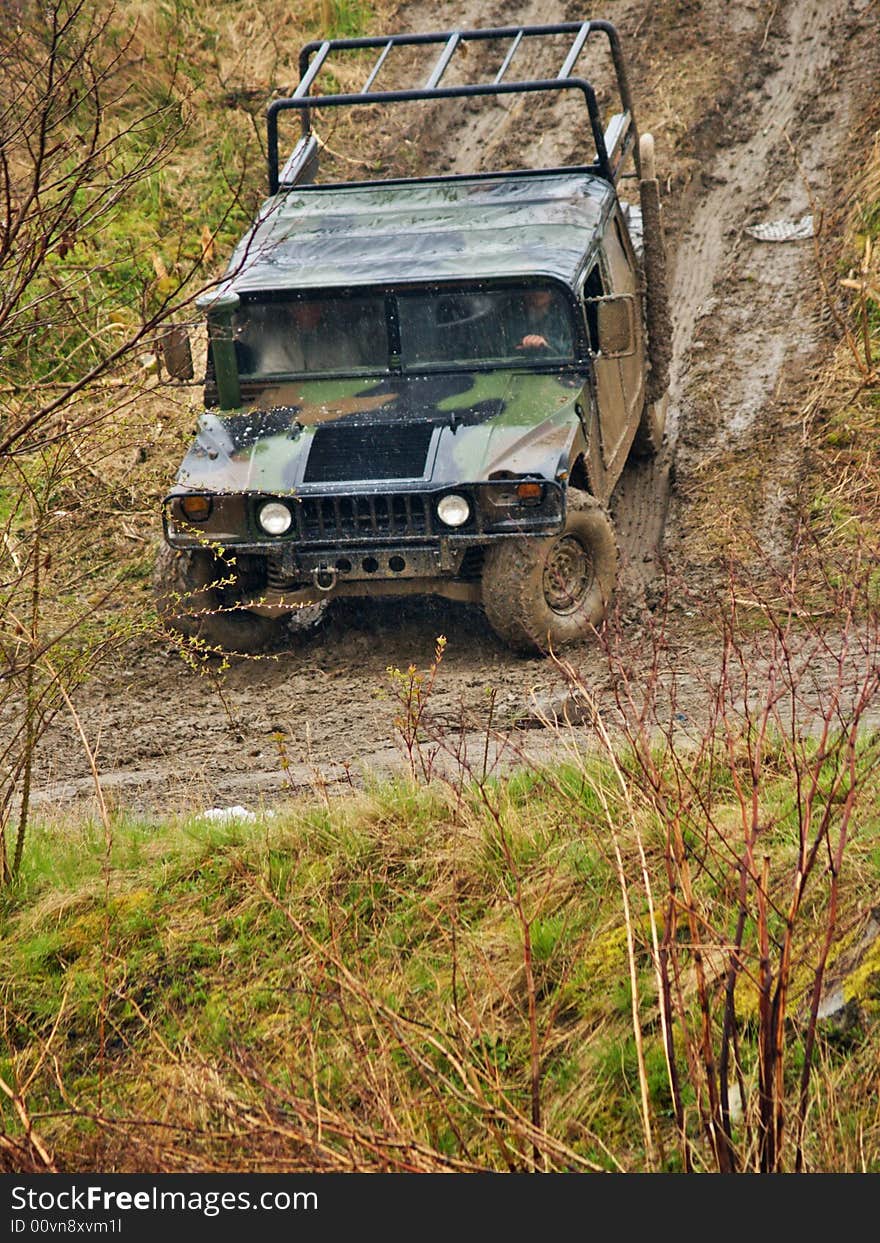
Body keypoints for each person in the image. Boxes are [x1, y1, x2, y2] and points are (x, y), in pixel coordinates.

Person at [510, 287, 574, 356]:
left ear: (552, 296)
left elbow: (571, 349)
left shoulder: (565, 315)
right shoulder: (510, 317)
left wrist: (547, 344)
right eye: (531, 289)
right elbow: (503, 348)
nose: (534, 295)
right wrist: (523, 343)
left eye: (543, 289)